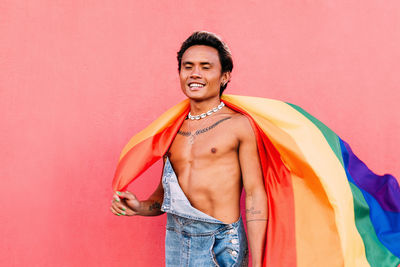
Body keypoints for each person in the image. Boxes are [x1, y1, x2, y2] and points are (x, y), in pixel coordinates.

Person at [110, 31, 268, 266]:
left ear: (224, 76)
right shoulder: (170, 129)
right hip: (177, 240)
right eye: (188, 66)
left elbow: (255, 195)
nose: (195, 73)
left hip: (220, 242)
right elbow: (167, 195)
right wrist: (140, 207)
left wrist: (258, 263)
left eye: (206, 67)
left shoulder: (238, 125)